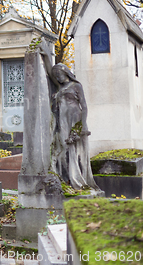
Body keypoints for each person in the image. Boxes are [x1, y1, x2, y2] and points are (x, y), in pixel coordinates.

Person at [40, 41, 98, 190]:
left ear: (66, 72)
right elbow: (48, 70)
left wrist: (83, 124)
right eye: (56, 75)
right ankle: (67, 177)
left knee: (74, 148)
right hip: (62, 120)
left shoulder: (75, 86)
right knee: (63, 147)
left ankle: (77, 179)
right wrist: (46, 55)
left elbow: (84, 105)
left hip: (74, 118)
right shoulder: (60, 87)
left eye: (59, 74)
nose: (57, 77)